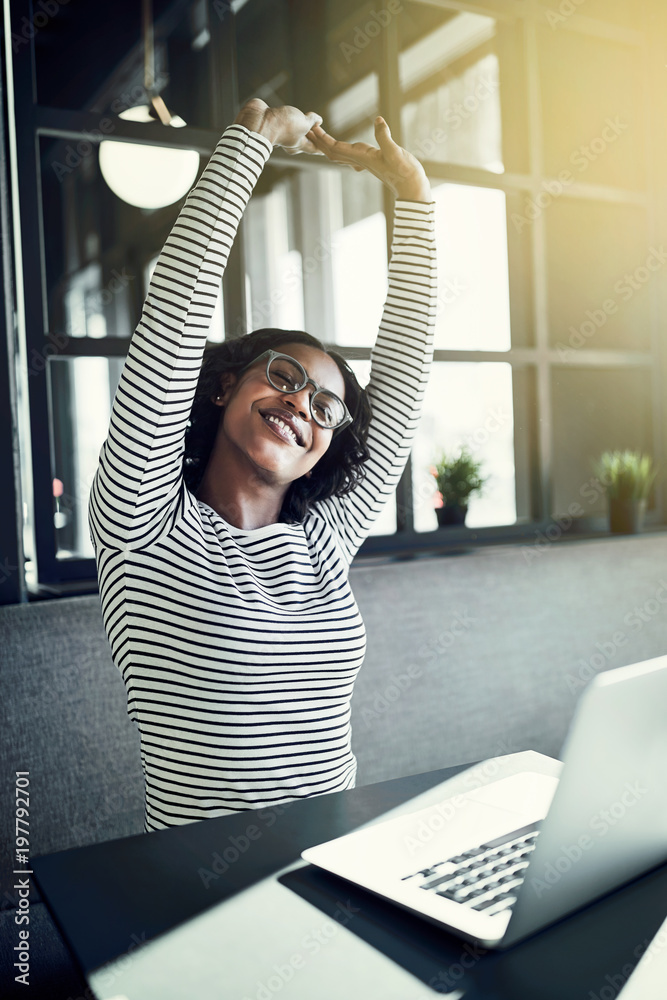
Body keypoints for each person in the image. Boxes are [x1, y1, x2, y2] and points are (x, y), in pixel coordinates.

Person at [89, 98, 437, 832]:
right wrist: (249, 145)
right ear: (224, 386)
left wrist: (414, 202)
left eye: (325, 406)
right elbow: (172, 322)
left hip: (339, 860)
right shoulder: (144, 523)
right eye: (282, 376)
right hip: (201, 888)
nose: (301, 405)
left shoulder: (324, 539)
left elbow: (399, 385)